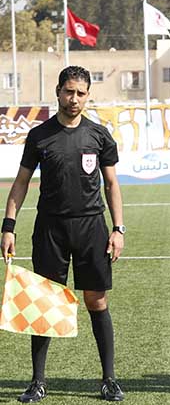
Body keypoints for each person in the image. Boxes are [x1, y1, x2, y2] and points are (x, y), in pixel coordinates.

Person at [1, 66, 126, 402]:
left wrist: (118, 229)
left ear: (88, 95)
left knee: (96, 301)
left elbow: (112, 184)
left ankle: (109, 379)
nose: (74, 99)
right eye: (69, 92)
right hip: (50, 229)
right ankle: (38, 381)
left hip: (91, 228)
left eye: (81, 93)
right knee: (46, 301)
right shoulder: (40, 135)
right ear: (58, 92)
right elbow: (21, 183)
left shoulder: (99, 135)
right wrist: (8, 226)